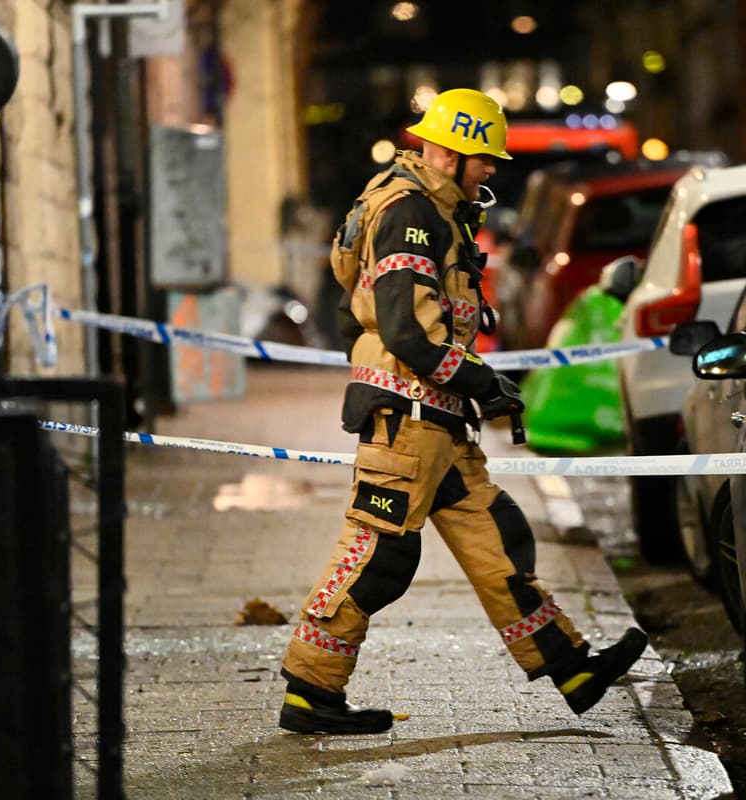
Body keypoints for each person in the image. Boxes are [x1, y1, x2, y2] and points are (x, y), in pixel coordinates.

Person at [278, 88, 648, 735]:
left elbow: (350, 311)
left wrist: (456, 387)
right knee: (378, 558)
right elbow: (408, 332)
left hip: (435, 420)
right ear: (448, 154)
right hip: (408, 421)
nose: (491, 170)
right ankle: (311, 690)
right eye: (484, 158)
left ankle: (571, 667)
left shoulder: (412, 205)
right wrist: (480, 380)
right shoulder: (411, 214)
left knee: (497, 541)